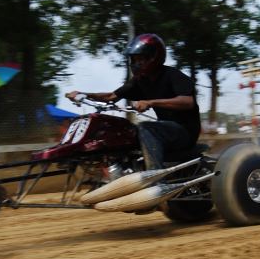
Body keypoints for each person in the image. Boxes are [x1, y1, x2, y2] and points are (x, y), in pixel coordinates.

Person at [66, 33, 201, 169]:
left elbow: (187, 102)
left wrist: (150, 102)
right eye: (134, 60)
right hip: (165, 130)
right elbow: (111, 96)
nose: (136, 64)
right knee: (125, 133)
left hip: (185, 132)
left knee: (146, 127)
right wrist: (84, 94)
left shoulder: (172, 75)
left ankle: (154, 174)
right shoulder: (140, 81)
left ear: (153, 57)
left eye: (140, 59)